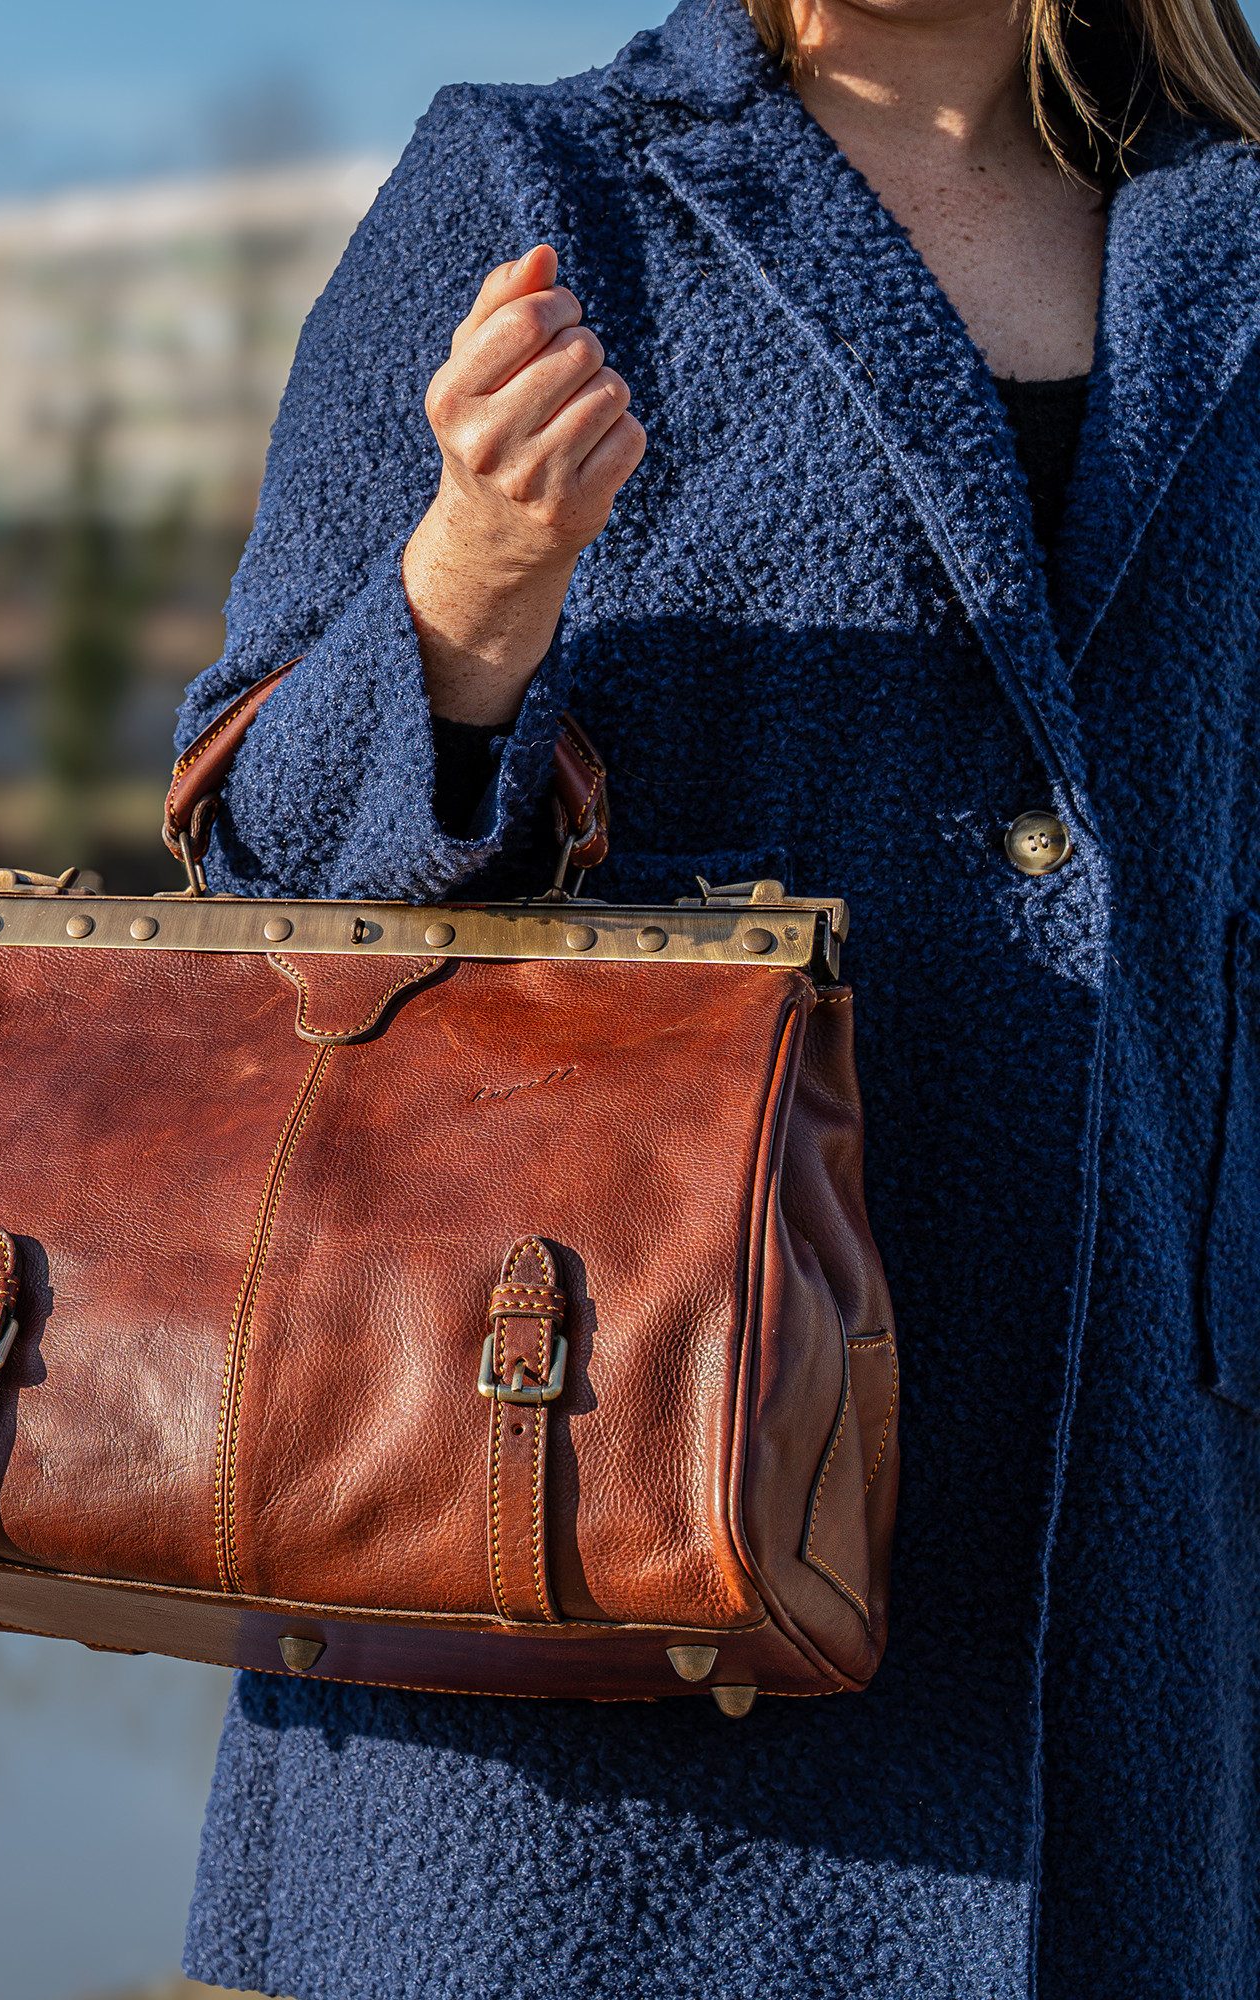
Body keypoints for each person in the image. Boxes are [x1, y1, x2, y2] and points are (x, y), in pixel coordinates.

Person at [175, 0, 1260, 1992]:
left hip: (1134, 1588)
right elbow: (257, 865)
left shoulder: (1244, 228)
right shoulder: (532, 185)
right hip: (583, 1539)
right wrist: (470, 592)